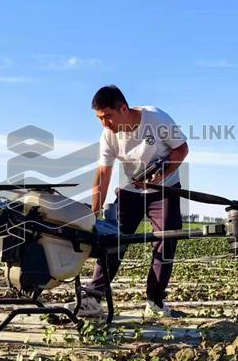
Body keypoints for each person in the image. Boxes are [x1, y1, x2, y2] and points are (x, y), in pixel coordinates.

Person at [78, 85, 188, 319]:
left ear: (124, 108)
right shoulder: (108, 136)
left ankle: (155, 302)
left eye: (108, 116)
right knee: (113, 238)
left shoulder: (156, 119)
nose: (104, 123)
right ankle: (93, 298)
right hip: (131, 190)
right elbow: (103, 176)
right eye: (99, 118)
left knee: (167, 237)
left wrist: (161, 176)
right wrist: (94, 213)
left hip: (164, 188)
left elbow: (182, 149)